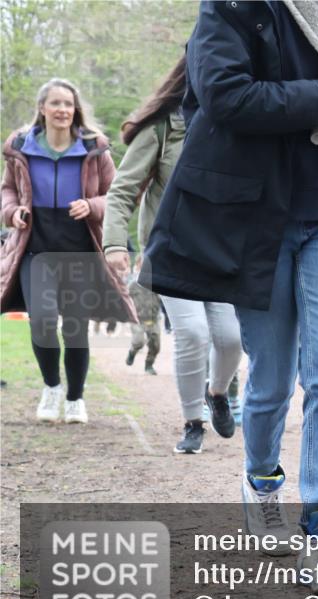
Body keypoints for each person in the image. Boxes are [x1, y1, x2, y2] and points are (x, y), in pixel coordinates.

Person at [142, 0, 318, 595]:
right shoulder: (231, 8)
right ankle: (262, 482)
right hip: (258, 220)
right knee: (269, 381)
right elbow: (225, 95)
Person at [102, 56, 240, 454]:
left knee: (231, 340)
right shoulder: (163, 127)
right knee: (193, 333)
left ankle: (216, 393)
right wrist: (114, 244)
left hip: (219, 250)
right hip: (172, 250)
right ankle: (192, 421)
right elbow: (124, 189)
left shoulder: (233, 124)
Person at [1, 78, 135, 424]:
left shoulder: (94, 148)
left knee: (75, 326)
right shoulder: (20, 147)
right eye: (56, 103)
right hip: (36, 250)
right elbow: (7, 192)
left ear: (75, 110)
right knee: (42, 321)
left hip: (80, 252)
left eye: (68, 104)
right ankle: (52, 387)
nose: (63, 110)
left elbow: (116, 196)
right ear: (42, 109)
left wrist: (91, 206)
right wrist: (12, 212)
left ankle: (75, 398)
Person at [125, 257, 162, 375]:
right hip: (137, 319)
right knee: (138, 341)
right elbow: (124, 298)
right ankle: (132, 352)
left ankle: (149, 365)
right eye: (142, 265)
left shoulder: (157, 283)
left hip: (153, 319)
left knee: (155, 345)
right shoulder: (133, 285)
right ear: (137, 266)